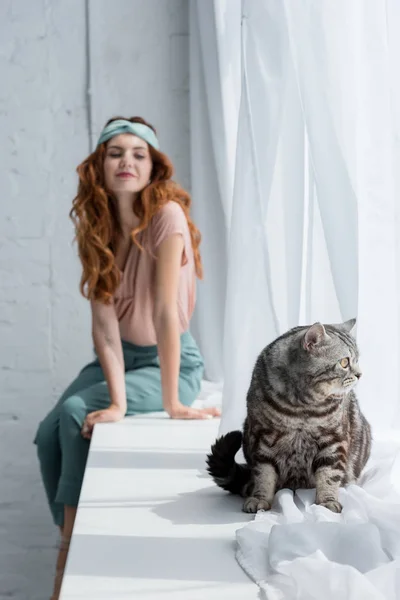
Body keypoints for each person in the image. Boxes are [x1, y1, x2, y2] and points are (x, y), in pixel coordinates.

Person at [34, 116, 221, 599]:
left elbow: (163, 314)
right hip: (118, 360)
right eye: (116, 152)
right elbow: (104, 329)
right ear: (100, 163)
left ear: (153, 167)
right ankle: (69, 530)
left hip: (168, 362)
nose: (127, 162)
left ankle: (66, 553)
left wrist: (174, 404)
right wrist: (117, 400)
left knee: (77, 414)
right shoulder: (96, 227)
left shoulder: (167, 218)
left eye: (139, 154)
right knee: (46, 433)